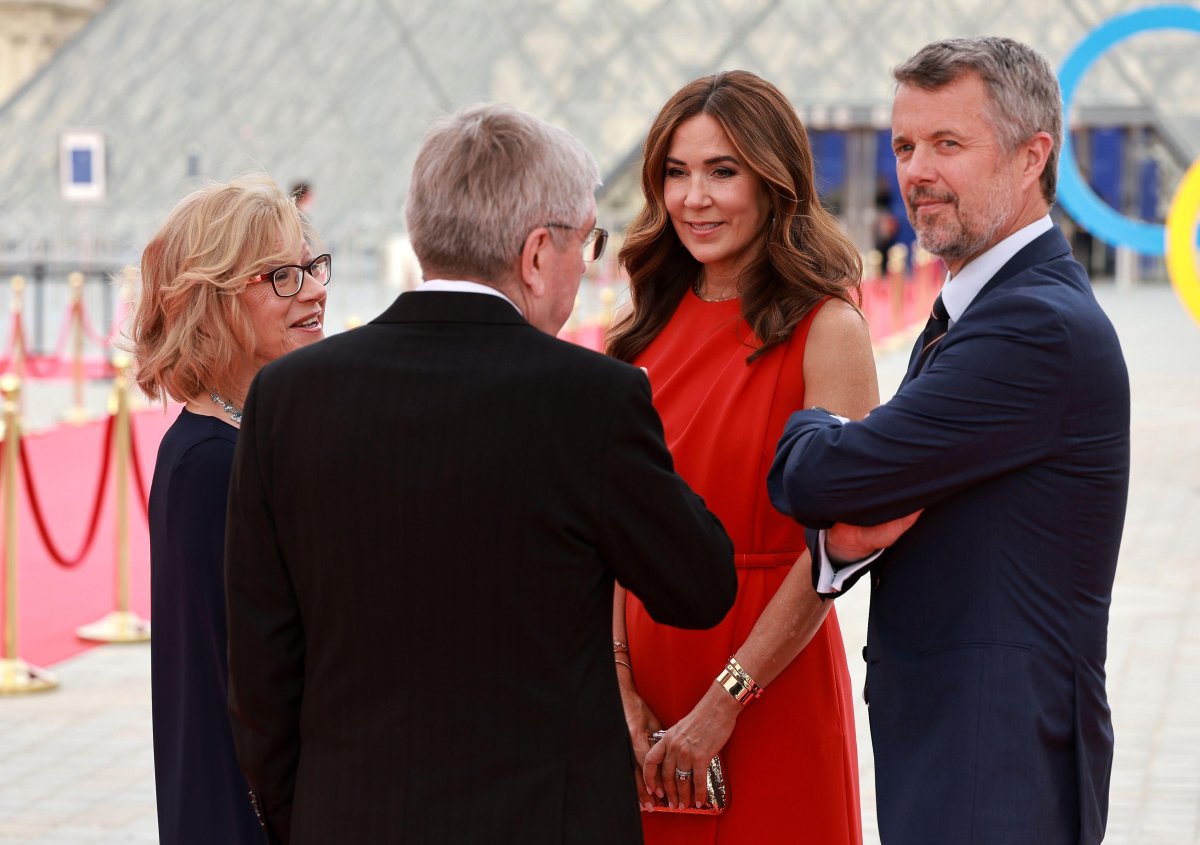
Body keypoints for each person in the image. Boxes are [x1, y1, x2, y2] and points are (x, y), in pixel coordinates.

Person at [224, 103, 738, 845]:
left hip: (349, 816)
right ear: (536, 254)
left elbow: (260, 669)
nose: (584, 264)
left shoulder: (288, 394)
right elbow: (700, 585)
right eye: (584, 242)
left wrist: (303, 816)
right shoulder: (592, 399)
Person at [768, 37, 1130, 845]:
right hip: (971, 750)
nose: (916, 170)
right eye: (904, 145)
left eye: (947, 144)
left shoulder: (1033, 326)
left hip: (993, 768)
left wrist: (811, 424)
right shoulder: (987, 309)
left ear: (1033, 155)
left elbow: (824, 480)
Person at [606, 70, 878, 843]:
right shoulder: (639, 335)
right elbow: (603, 534)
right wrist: (617, 685)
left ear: (774, 182)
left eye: (722, 172)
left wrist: (728, 697)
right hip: (644, 690)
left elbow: (843, 539)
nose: (694, 198)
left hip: (773, 681)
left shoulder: (830, 330)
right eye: (676, 172)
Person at [131, 174, 330, 845]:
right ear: (213, 301)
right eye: (280, 276)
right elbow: (233, 690)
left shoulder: (248, 438)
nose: (313, 290)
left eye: (311, 266)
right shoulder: (208, 465)